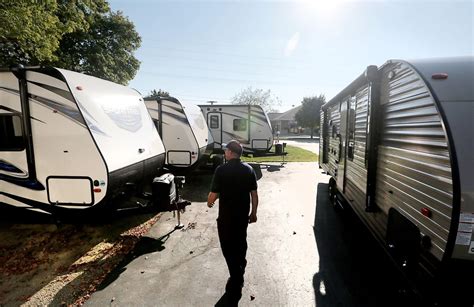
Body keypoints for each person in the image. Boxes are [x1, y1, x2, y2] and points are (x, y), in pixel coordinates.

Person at [207, 140, 259, 297]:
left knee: (227, 247)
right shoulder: (249, 170)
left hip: (226, 218)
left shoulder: (221, 170)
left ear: (230, 152)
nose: (224, 153)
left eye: (226, 151)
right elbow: (254, 194)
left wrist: (210, 202)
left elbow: (213, 194)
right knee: (241, 243)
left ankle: (236, 277)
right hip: (242, 216)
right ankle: (240, 266)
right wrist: (254, 213)